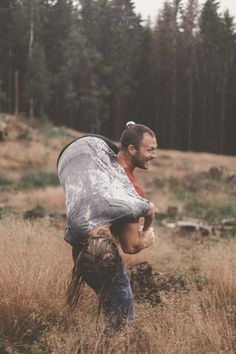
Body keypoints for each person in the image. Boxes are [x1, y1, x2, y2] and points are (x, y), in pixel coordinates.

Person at [57, 122, 157, 332]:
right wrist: (147, 236)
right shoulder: (130, 192)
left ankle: (105, 338)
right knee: (122, 318)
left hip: (81, 254)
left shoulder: (97, 162)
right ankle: (112, 344)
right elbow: (130, 246)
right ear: (131, 149)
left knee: (110, 304)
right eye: (150, 149)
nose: (154, 155)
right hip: (102, 254)